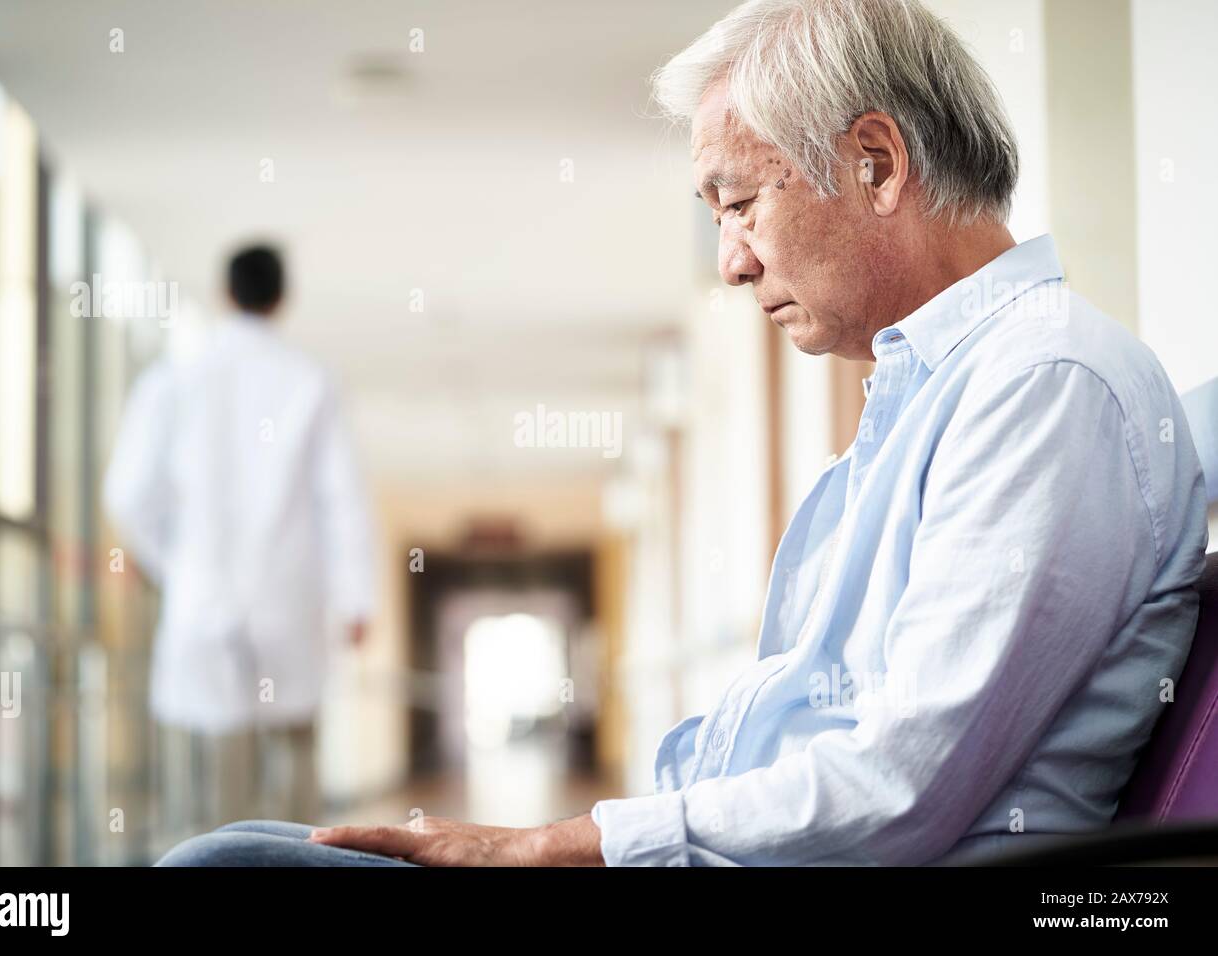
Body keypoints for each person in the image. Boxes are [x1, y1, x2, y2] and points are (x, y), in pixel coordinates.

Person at [156, 0, 1206, 867]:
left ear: (877, 163)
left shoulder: (1042, 385)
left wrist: (565, 843)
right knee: (251, 841)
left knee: (224, 866)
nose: (731, 263)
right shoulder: (939, 393)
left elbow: (896, 787)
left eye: (740, 203)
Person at [105, 244, 375, 836]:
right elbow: (342, 500)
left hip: (205, 596)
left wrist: (175, 563)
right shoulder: (311, 381)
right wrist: (358, 599)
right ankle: (303, 858)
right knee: (297, 744)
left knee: (219, 754)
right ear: (283, 298)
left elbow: (127, 495)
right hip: (289, 594)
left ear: (224, 293)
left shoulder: (174, 378)